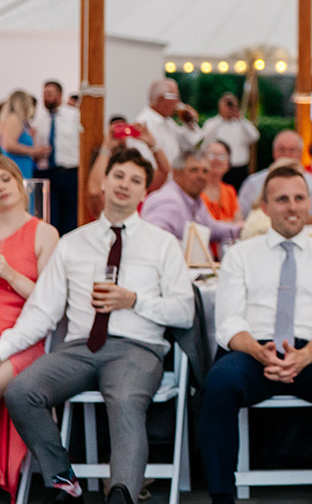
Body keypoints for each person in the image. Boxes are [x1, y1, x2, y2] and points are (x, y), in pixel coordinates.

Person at [0, 147, 195, 504]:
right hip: (78, 349)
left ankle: (121, 494)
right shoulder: (73, 243)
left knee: (124, 399)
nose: (125, 185)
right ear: (104, 182)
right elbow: (42, 312)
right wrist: (2, 350)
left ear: (144, 193)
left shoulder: (163, 244)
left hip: (136, 348)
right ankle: (63, 481)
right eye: (119, 176)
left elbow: (184, 312)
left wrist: (133, 300)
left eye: (136, 181)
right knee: (20, 390)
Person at [199, 163, 312, 504]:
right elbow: (229, 322)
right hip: (254, 351)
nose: (292, 206)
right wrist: (257, 350)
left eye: (298, 198)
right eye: (281, 200)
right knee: (219, 384)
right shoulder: (239, 255)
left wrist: (305, 356)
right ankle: (221, 495)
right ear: (265, 207)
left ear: (309, 202)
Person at [0, 155, 60, 497]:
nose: (0, 187)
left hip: (24, 338)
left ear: (19, 183)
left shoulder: (44, 232)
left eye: (5, 179)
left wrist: (8, 273)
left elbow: (50, 301)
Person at [142, 150, 241, 247]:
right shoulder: (169, 201)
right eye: (194, 170)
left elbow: (210, 228)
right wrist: (190, 250)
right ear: (176, 173)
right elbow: (153, 238)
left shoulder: (193, 198)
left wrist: (243, 230)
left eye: (205, 171)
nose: (201, 176)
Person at [32, 80, 81, 233]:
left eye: (50, 94)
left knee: (70, 217)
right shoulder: (39, 121)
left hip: (69, 172)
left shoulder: (75, 116)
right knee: (48, 216)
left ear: (59, 95)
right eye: (45, 94)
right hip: (46, 172)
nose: (46, 97)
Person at [236, 131, 312, 218]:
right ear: (274, 152)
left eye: (292, 150)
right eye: (282, 150)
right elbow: (242, 216)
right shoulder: (253, 183)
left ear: (301, 153)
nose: (286, 155)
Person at [135, 78, 202, 162]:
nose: (178, 102)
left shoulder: (168, 122)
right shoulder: (143, 124)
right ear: (162, 99)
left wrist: (190, 123)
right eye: (176, 97)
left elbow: (192, 144)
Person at [201, 94, 260, 188]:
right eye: (227, 104)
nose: (230, 108)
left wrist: (240, 118)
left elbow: (255, 136)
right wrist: (222, 117)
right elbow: (205, 141)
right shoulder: (212, 123)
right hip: (219, 168)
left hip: (239, 168)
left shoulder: (241, 124)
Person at [0, 91, 48, 180]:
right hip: (17, 168)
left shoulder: (20, 121)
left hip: (23, 168)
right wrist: (34, 151)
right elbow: (8, 145)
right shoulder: (14, 119)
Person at [202, 140, 241, 221]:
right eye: (211, 155)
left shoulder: (230, 191)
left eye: (221, 156)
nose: (216, 159)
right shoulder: (194, 190)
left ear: (228, 163)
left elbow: (238, 222)